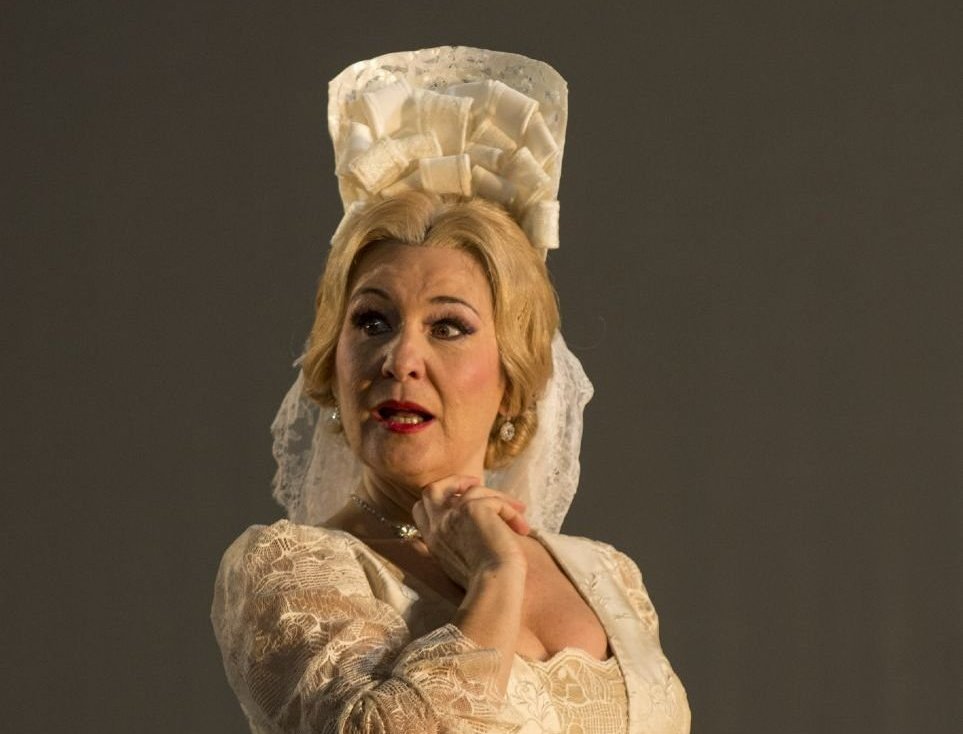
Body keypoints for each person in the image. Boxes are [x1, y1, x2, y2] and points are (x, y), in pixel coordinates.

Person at [212, 46, 690, 734]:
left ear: (513, 377)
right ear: (331, 362)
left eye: (448, 327)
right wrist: (495, 577)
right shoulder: (290, 572)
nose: (400, 358)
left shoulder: (609, 577)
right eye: (372, 321)